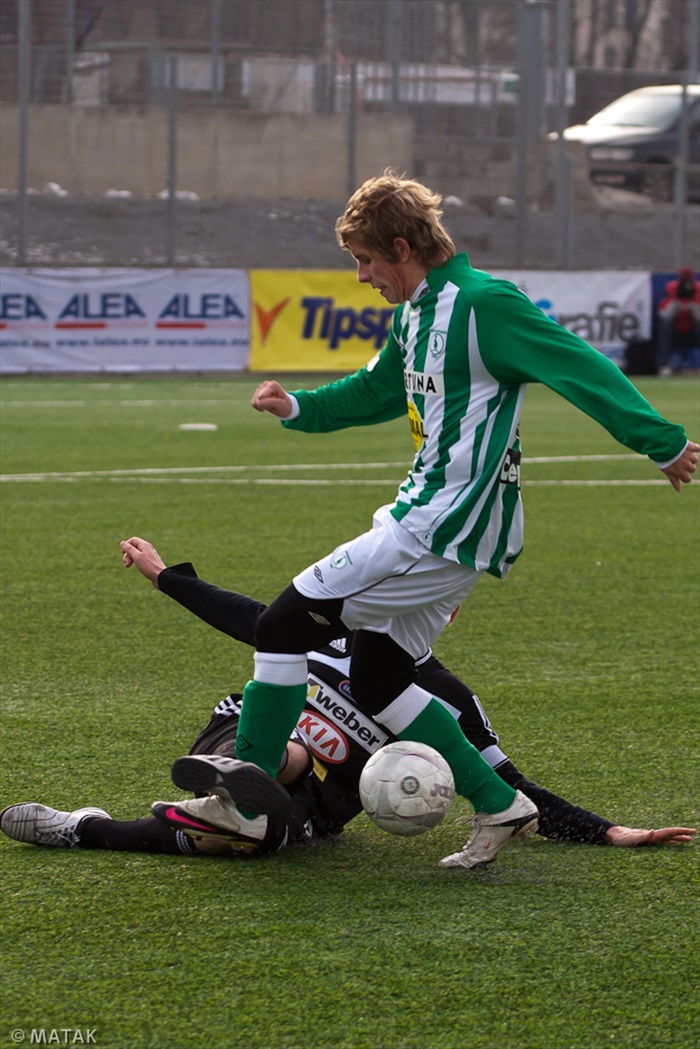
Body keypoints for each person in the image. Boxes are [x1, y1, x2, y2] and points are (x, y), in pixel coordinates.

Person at [231, 171, 699, 873]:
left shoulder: (483, 305)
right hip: (447, 526)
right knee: (381, 676)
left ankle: (246, 797)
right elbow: (379, 389)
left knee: (281, 625)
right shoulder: (418, 312)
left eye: (364, 260)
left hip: (438, 524)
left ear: (400, 245)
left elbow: (578, 364)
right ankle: (501, 803)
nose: (361, 276)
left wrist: (657, 439)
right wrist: (301, 408)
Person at [1, 537, 694, 861]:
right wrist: (165, 578)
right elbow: (249, 616)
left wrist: (610, 830)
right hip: (249, 732)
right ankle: (241, 782)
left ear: (443, 614)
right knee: (288, 754)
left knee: (258, 838)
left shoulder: (448, 700)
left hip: (327, 800)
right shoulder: (329, 630)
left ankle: (91, 825)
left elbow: (509, 786)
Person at [655, 267, 700, 375]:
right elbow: (663, 314)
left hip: (693, 329)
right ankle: (664, 364)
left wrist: (692, 306)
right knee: (665, 325)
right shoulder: (672, 288)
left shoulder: (698, 289)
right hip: (675, 329)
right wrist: (675, 303)